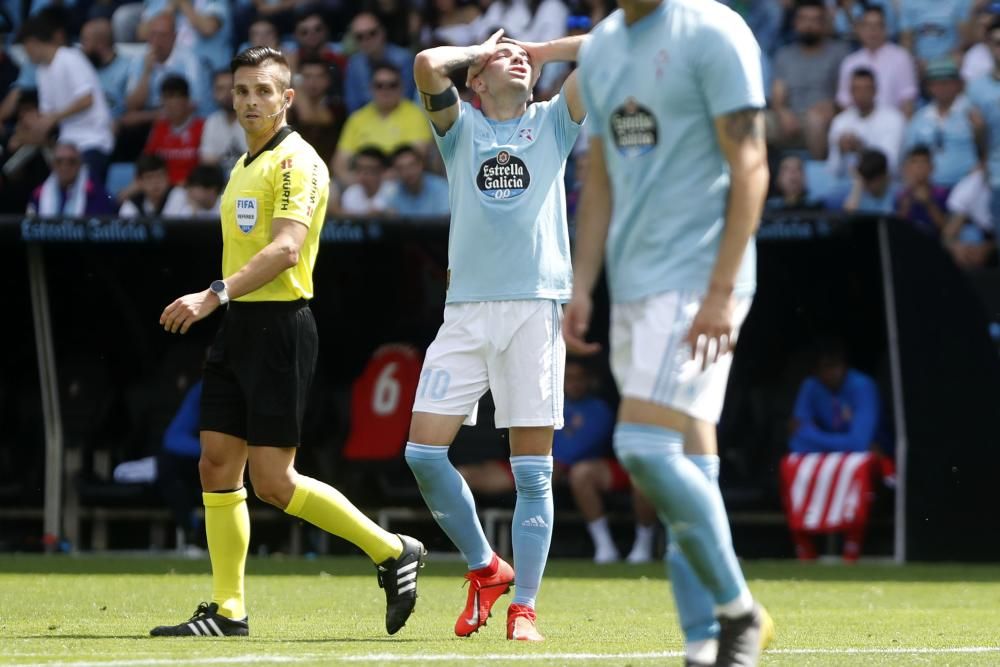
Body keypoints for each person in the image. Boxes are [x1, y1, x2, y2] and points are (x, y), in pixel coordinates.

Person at [152, 46, 425, 638]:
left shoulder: (299, 162)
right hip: (237, 328)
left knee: (274, 482)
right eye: (242, 90)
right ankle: (228, 611)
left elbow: (285, 250)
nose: (251, 100)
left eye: (264, 91)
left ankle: (392, 550)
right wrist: (224, 304)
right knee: (217, 465)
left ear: (288, 98)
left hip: (279, 327)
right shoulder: (242, 162)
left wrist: (212, 295)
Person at [569, 1, 772, 665]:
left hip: (699, 281)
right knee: (687, 464)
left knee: (642, 447)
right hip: (634, 285)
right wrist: (583, 281)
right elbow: (598, 175)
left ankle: (740, 609)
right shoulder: (600, 48)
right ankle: (704, 644)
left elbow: (751, 164)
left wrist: (719, 293)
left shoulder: (713, 31)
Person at [404, 29, 586, 642]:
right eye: (499, 58)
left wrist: (539, 49)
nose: (515, 58)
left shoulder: (556, 120)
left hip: (534, 310)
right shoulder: (460, 131)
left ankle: (524, 608)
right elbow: (430, 64)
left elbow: (613, 45)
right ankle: (486, 567)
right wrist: (481, 50)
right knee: (422, 455)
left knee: (533, 474)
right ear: (476, 80)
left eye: (520, 57)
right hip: (466, 312)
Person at [786, 337, 882, 562]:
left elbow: (860, 443)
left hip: (869, 458)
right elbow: (796, 441)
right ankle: (804, 546)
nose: (830, 373)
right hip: (828, 457)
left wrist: (813, 436)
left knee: (856, 467)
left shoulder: (862, 386)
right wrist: (840, 442)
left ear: (844, 366)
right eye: (824, 368)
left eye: (834, 366)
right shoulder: (811, 386)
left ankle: (852, 547)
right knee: (790, 465)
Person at [557, 358, 657, 565]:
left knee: (643, 475)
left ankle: (644, 545)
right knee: (580, 473)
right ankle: (605, 547)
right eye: (568, 378)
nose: (574, 383)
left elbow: (576, 449)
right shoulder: (552, 405)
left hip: (626, 463)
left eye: (579, 378)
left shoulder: (601, 407)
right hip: (573, 471)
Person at [18, 14, 114, 184]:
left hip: (93, 140)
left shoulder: (69, 58)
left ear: (32, 43)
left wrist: (53, 118)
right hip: (65, 143)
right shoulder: (42, 71)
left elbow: (87, 99)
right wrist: (32, 122)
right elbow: (48, 114)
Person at [768, 0, 851, 158]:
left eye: (814, 20)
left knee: (815, 120)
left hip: (823, 117)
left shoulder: (839, 53)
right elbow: (777, 93)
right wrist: (783, 112)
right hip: (789, 117)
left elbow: (847, 92)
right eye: (804, 19)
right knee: (749, 124)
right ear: (796, 22)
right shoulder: (784, 55)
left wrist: (834, 106)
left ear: (824, 23)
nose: (809, 25)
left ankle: (819, 175)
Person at [332, 61, 431, 185]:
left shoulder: (416, 115)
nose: (385, 90)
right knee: (331, 191)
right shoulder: (357, 118)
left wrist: (377, 182)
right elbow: (339, 164)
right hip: (361, 183)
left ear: (402, 87)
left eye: (392, 85)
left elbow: (418, 157)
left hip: (400, 183)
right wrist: (358, 183)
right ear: (370, 88)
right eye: (379, 85)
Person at [903, 58, 977, 190]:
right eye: (936, 83)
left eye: (946, 82)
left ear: (957, 84)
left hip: (967, 187)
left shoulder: (972, 113)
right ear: (929, 87)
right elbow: (909, 156)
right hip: (930, 190)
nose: (941, 88)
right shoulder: (919, 119)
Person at [835, 5, 917, 116]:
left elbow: (908, 101)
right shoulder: (850, 62)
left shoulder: (901, 57)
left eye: (877, 25)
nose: (872, 31)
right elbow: (844, 103)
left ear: (886, 29)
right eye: (867, 26)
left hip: (891, 125)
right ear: (859, 29)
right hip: (857, 125)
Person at [826, 68, 905, 180]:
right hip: (848, 187)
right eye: (856, 89)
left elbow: (891, 165)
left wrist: (861, 149)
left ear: (875, 90)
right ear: (850, 92)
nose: (861, 94)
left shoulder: (894, 119)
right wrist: (841, 152)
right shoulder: (839, 121)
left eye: (866, 89)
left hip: (883, 187)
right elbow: (833, 171)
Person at [344, 12, 415, 113]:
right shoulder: (354, 64)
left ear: (382, 32)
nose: (366, 39)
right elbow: (352, 105)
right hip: (365, 123)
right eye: (360, 36)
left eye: (372, 33)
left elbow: (407, 99)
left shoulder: (404, 59)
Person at [143, 75, 204, 185]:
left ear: (187, 100)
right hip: (162, 189)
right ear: (162, 101)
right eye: (168, 97)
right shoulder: (158, 128)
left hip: (191, 188)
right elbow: (148, 163)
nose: (172, 103)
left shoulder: (202, 127)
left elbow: (205, 167)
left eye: (177, 97)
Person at [27, 141, 115, 216]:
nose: (65, 166)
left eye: (71, 161)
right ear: (52, 165)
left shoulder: (94, 192)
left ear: (80, 165)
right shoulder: (39, 194)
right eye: (59, 162)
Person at [79, 16, 134, 122]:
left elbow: (130, 108)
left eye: (85, 41)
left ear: (101, 44)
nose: (82, 47)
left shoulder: (128, 67)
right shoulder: (80, 67)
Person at [199, 69, 248, 175]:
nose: (227, 94)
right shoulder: (212, 122)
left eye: (232, 88)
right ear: (214, 93)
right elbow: (208, 163)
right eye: (220, 89)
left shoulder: (257, 120)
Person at [895, 145, 950, 236]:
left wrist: (928, 203)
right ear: (908, 168)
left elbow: (946, 229)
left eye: (924, 162)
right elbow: (896, 228)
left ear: (932, 167)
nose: (919, 167)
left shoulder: (942, 193)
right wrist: (908, 200)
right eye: (915, 162)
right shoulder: (901, 195)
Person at [385, 144, 450, 219]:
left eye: (411, 165)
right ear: (395, 171)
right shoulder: (393, 192)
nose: (408, 172)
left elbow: (445, 224)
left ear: (421, 165)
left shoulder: (442, 188)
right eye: (401, 168)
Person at [119, 153, 188, 217]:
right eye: (149, 178)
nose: (156, 182)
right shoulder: (132, 203)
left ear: (168, 178)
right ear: (139, 182)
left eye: (160, 176)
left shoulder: (178, 194)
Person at [839, 148, 897, 213]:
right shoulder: (855, 190)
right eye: (865, 181)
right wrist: (858, 184)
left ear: (884, 177)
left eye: (872, 181)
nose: (867, 186)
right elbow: (848, 216)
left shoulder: (898, 194)